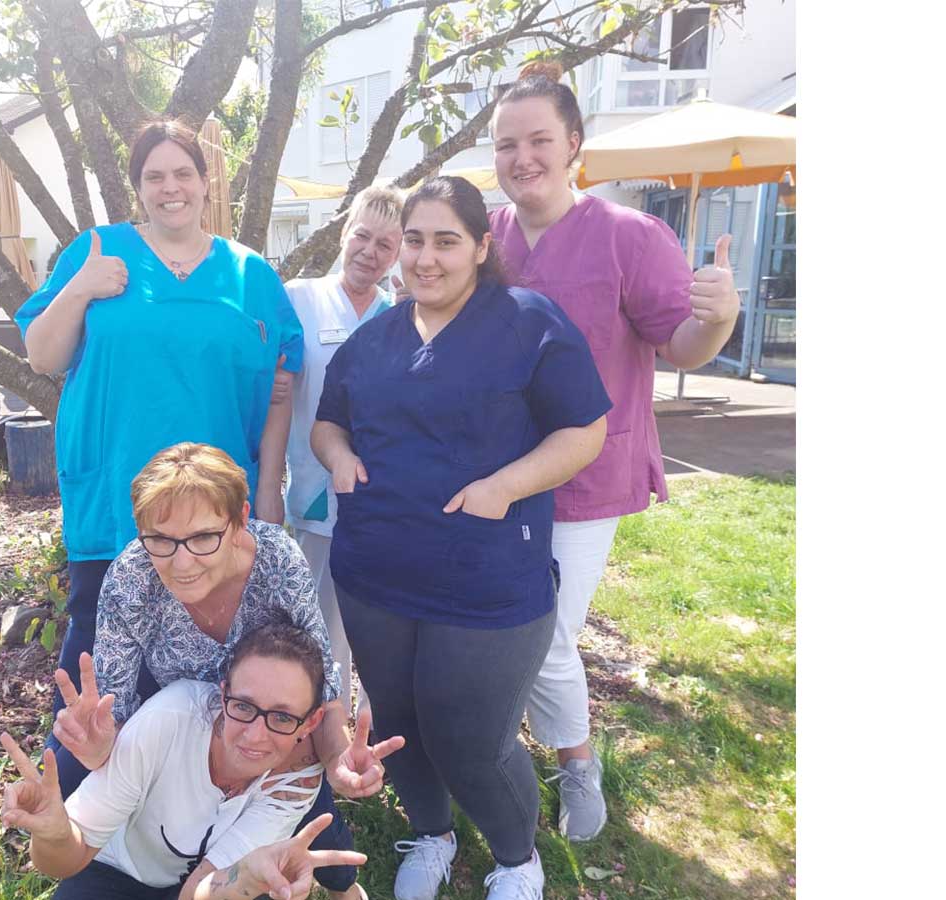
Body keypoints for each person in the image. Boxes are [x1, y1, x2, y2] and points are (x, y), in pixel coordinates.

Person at [311, 176, 611, 900]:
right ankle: (432, 832)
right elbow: (329, 421)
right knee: (402, 722)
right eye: (414, 240)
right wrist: (338, 457)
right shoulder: (374, 338)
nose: (425, 258)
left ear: (482, 246)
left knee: (470, 738)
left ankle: (516, 860)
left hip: (487, 575)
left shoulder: (528, 323)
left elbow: (586, 430)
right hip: (376, 571)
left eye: (446, 241)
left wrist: (504, 487)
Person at [487, 62, 741, 842]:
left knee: (544, 633)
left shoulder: (632, 236)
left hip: (588, 478)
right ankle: (496, 750)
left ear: (574, 145)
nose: (522, 157)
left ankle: (576, 760)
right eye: (506, 144)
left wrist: (722, 317)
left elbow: (683, 344)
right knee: (495, 624)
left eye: (538, 140)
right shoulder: (485, 234)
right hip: (490, 474)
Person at [13, 119, 303, 755]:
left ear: (205, 183)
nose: (170, 188)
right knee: (97, 656)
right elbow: (41, 354)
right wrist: (82, 289)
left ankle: (200, 804)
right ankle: (79, 797)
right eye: (154, 176)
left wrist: (272, 485)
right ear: (138, 186)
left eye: (183, 174)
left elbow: (284, 378)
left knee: (214, 660)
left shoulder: (250, 274)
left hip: (216, 512)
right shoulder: (97, 251)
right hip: (117, 496)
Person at [52, 442, 403, 900]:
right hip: (183, 724)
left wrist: (337, 757)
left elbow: (320, 685)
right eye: (160, 539)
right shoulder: (130, 580)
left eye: (203, 538)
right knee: (71, 800)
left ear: (239, 519)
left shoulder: (278, 561)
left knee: (305, 791)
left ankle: (343, 885)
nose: (181, 563)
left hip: (275, 723)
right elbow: (116, 705)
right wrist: (101, 747)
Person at [0, 620, 368, 900]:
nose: (255, 735)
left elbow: (198, 891)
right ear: (223, 694)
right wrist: (54, 835)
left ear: (313, 721)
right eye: (243, 706)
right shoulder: (169, 720)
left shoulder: (296, 779)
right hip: (114, 872)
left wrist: (245, 878)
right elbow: (65, 861)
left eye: (283, 717)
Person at [283, 185, 405, 717]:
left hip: (386, 503)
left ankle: (375, 735)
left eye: (385, 244)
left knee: (381, 625)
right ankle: (322, 737)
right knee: (318, 625)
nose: (369, 252)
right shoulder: (299, 297)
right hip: (314, 493)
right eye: (361, 235)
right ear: (344, 232)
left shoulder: (403, 314)